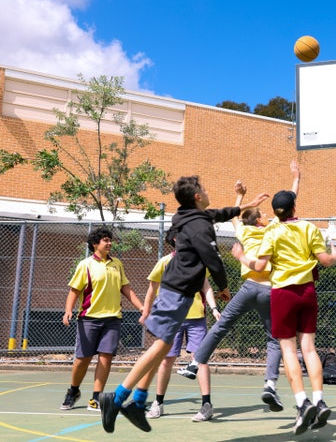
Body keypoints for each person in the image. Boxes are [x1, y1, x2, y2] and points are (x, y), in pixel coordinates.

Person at [98, 175, 263, 433]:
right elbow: (213, 260)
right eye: (205, 188)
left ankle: (138, 403)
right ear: (197, 196)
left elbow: (217, 213)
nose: (208, 192)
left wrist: (245, 203)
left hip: (179, 293)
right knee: (160, 347)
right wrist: (225, 287)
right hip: (176, 292)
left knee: (162, 350)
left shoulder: (187, 216)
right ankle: (117, 397)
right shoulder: (200, 227)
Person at [178, 161, 301, 416]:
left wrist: (241, 196)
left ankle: (195, 362)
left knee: (221, 326)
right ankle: (269, 384)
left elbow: (234, 216)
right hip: (269, 290)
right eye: (263, 216)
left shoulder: (244, 234)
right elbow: (289, 205)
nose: (267, 217)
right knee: (273, 340)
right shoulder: (275, 231)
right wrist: (295, 178)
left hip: (247, 288)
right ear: (259, 223)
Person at [232, 187, 336, 436]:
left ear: (275, 213)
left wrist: (241, 257)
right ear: (295, 208)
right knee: (310, 349)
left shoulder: (272, 230)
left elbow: (260, 266)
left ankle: (302, 402)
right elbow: (324, 261)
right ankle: (319, 400)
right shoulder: (309, 229)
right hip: (307, 292)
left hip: (283, 293)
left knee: (288, 350)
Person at [60, 227, 144, 412]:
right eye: (105, 240)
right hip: (89, 318)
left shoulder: (117, 264)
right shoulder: (85, 265)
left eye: (110, 240)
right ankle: (73, 391)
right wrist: (68, 310)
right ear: (95, 244)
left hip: (112, 319)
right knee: (83, 359)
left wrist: (141, 307)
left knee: (106, 358)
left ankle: (96, 398)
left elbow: (126, 288)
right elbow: (74, 291)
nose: (109, 243)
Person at [141, 235, 222, 422]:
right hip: (171, 317)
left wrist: (214, 308)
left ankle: (206, 405)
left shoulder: (198, 261)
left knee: (200, 360)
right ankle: (158, 403)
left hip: (196, 317)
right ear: (174, 239)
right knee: (165, 360)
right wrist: (146, 313)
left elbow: (206, 286)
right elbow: (152, 289)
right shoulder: (165, 262)